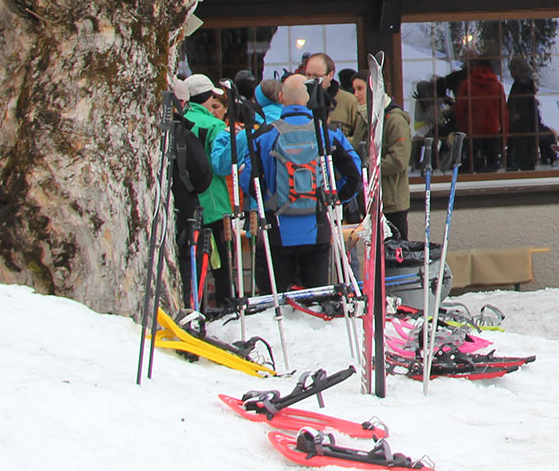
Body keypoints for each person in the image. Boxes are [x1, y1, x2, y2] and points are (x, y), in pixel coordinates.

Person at [240, 75, 363, 292]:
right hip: (317, 227)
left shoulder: (264, 135)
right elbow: (354, 175)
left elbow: (249, 181)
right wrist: (333, 199)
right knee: (316, 300)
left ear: (281, 98)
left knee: (276, 302)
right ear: (308, 100)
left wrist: (268, 201)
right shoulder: (328, 132)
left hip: (276, 229)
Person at [172, 75, 226, 309]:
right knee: (219, 260)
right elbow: (222, 163)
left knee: (190, 259)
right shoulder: (214, 124)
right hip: (212, 201)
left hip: (181, 203)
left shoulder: (178, 122)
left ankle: (197, 302)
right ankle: (224, 303)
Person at [349, 73, 413, 239]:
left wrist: (368, 166)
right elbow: (356, 148)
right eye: (354, 89)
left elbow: (399, 161)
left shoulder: (395, 120)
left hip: (391, 201)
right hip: (370, 200)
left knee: (394, 250)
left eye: (360, 88)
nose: (356, 94)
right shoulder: (363, 117)